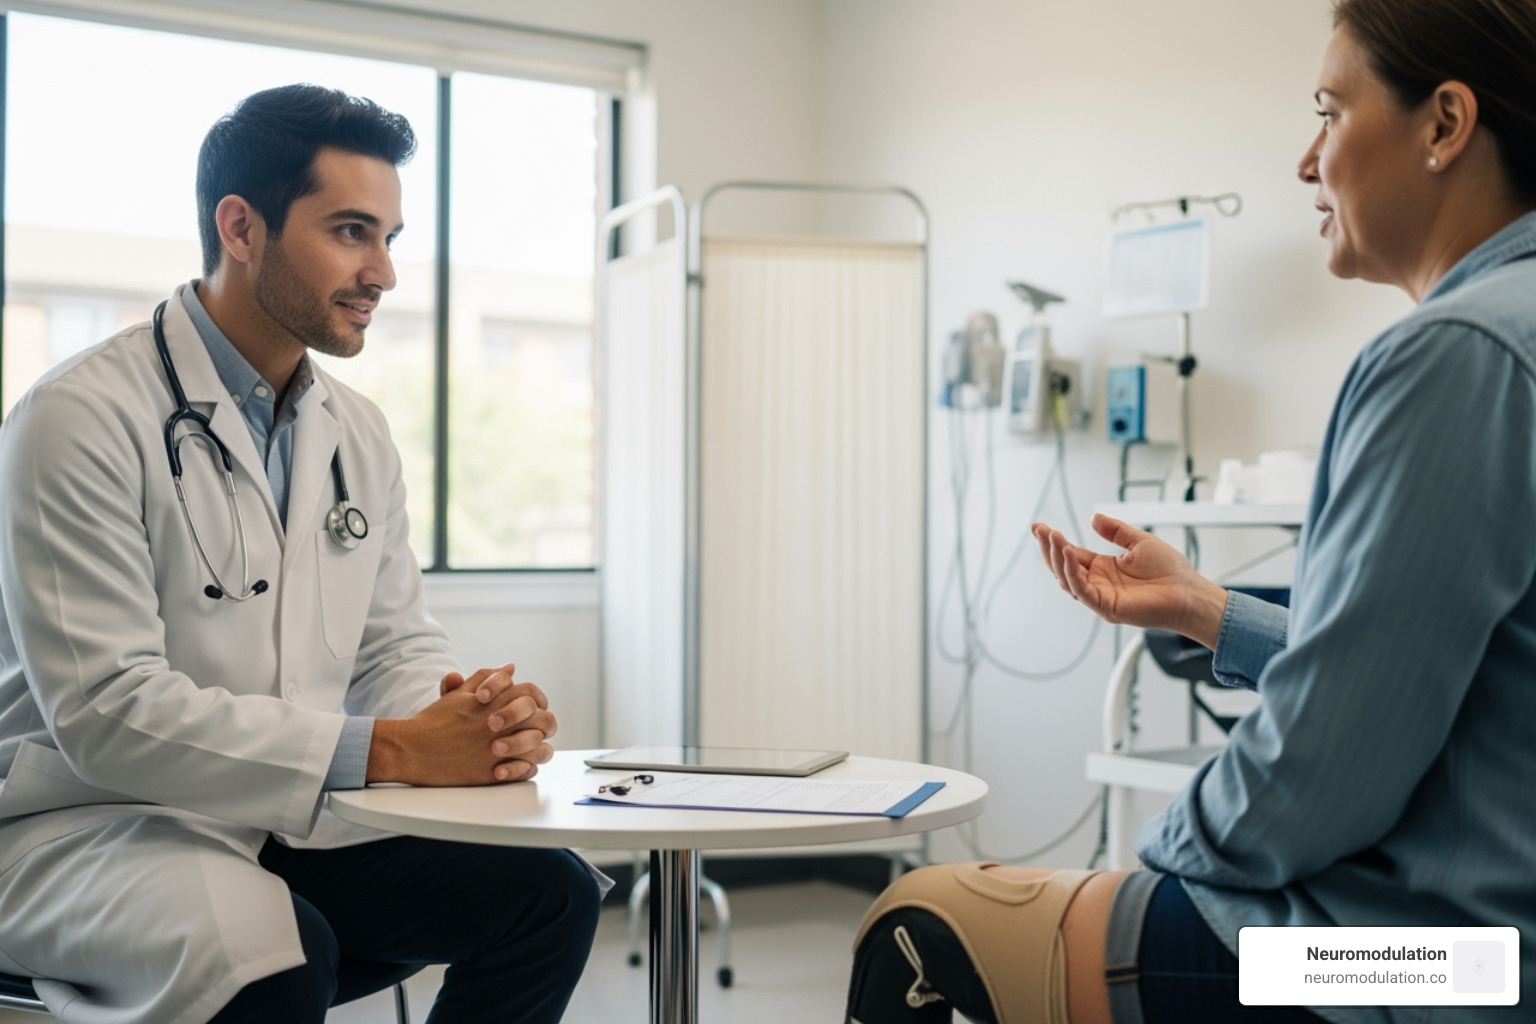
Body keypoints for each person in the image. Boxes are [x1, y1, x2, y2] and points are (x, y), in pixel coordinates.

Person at [845, 0, 1536, 1022]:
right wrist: (1208, 609)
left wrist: (1154, 859)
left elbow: (1326, 765)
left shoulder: (1454, 354)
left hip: (1442, 963)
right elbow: (1421, 672)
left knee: (923, 915)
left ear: (1444, 123)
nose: (1307, 160)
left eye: (1330, 113)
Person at [0, 85, 603, 1024]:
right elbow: (106, 711)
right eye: (352, 232)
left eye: (389, 238)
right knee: (274, 956)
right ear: (242, 227)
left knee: (550, 893)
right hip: (89, 823)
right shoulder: (79, 415)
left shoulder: (355, 432)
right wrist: (396, 749)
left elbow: (390, 647)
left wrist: (466, 723)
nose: (383, 273)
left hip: (283, 818)